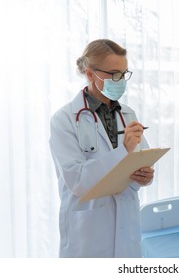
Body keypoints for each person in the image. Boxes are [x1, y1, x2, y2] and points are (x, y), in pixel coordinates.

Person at [49, 39, 154, 258]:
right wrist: (123, 151)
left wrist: (146, 175)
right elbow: (76, 179)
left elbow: (141, 159)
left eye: (124, 74)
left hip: (126, 224)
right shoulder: (64, 119)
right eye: (114, 74)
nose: (121, 81)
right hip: (88, 233)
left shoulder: (128, 114)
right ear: (90, 74)